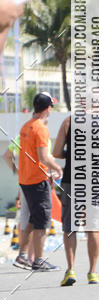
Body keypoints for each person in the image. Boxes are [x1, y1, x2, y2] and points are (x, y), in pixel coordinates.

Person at [52, 114, 99, 285]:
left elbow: (56, 152)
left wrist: (72, 152)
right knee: (93, 227)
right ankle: (93, 272)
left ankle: (71, 270)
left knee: (70, 226)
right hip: (96, 182)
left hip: (72, 180)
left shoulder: (68, 122)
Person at [17, 92, 62, 271]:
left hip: (25, 179)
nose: (51, 109)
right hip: (37, 181)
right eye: (51, 106)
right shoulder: (41, 128)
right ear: (47, 108)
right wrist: (57, 168)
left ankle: (22, 255)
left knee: (33, 218)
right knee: (42, 220)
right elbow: (44, 157)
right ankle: (38, 260)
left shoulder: (26, 126)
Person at [2, 134, 35, 267]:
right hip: (36, 183)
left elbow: (6, 156)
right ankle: (32, 258)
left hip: (23, 183)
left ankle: (23, 255)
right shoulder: (42, 135)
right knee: (35, 221)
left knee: (24, 220)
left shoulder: (22, 136)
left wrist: (17, 171)